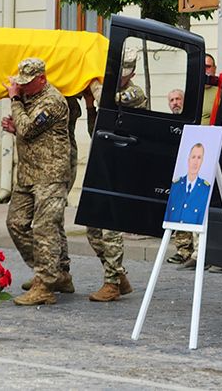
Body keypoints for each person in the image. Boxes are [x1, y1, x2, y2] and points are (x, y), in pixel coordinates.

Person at [3, 57, 71, 306]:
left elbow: (29, 129)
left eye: (27, 83)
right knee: (15, 223)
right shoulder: (31, 98)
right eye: (20, 83)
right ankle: (53, 272)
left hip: (50, 176)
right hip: (28, 174)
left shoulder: (52, 101)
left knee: (45, 229)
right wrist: (16, 128)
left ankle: (45, 285)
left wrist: (14, 100)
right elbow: (27, 131)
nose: (22, 87)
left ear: (42, 79)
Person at [75, 86, 132, 303]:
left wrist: (97, 88)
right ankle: (118, 274)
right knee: (93, 230)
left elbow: (117, 100)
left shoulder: (133, 92)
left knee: (110, 229)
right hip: (103, 169)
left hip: (121, 168)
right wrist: (90, 104)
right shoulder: (104, 105)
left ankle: (112, 283)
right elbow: (95, 132)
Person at [164, 143, 212, 224]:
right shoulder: (176, 186)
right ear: (188, 159)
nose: (195, 162)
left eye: (199, 158)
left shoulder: (206, 189)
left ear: (202, 161)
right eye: (193, 157)